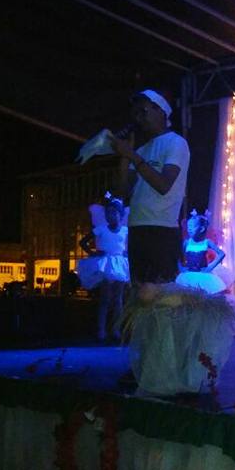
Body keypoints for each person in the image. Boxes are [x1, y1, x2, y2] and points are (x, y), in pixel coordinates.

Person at [109, 89, 190, 285]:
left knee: (161, 294)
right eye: (136, 114)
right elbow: (121, 192)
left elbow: (163, 185)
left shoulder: (176, 143)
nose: (139, 118)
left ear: (161, 111)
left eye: (143, 111)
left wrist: (132, 156)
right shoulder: (141, 149)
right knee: (139, 293)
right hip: (136, 227)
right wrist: (124, 157)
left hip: (161, 229)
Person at [77, 194, 129, 343]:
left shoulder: (125, 230)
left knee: (118, 299)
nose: (110, 215)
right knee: (105, 298)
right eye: (108, 213)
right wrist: (93, 253)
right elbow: (83, 242)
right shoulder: (101, 229)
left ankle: (116, 330)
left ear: (120, 215)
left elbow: (128, 245)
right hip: (106, 264)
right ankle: (101, 330)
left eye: (114, 212)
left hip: (119, 264)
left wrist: (126, 253)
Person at [174, 210, 227, 294]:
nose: (189, 229)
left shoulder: (207, 242)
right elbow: (178, 255)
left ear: (201, 229)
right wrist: (180, 267)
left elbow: (221, 254)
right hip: (188, 275)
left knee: (202, 294)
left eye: (192, 227)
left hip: (203, 275)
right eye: (188, 227)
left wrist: (210, 267)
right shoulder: (187, 242)